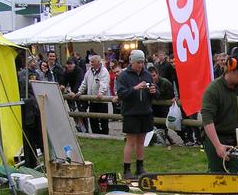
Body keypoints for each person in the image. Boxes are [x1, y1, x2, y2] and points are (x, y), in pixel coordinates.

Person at [200, 54, 238, 195]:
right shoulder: (213, 90)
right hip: (216, 136)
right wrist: (217, 145)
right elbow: (207, 120)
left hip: (237, 138)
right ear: (230, 69)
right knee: (218, 177)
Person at [115, 50, 159, 179]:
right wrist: (135, 88)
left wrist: (153, 91)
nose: (141, 65)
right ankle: (127, 169)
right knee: (131, 142)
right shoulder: (124, 76)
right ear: (132, 62)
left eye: (142, 62)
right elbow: (121, 94)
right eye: (138, 62)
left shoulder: (147, 74)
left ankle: (140, 167)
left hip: (145, 112)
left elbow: (156, 93)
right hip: (131, 113)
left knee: (141, 141)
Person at [72, 55, 111, 134]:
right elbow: (84, 83)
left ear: (98, 62)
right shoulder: (89, 71)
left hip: (102, 101)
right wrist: (79, 92)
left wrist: (101, 93)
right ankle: (95, 134)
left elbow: (104, 83)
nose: (91, 63)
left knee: (103, 119)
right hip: (92, 100)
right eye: (90, 61)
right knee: (92, 119)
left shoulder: (104, 71)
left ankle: (105, 134)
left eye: (92, 62)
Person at [148, 66, 176, 145]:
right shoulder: (148, 83)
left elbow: (170, 95)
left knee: (166, 124)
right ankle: (165, 139)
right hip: (155, 107)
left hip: (165, 106)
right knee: (157, 124)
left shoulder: (165, 82)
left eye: (154, 75)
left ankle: (184, 139)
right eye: (151, 76)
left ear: (157, 74)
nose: (153, 78)